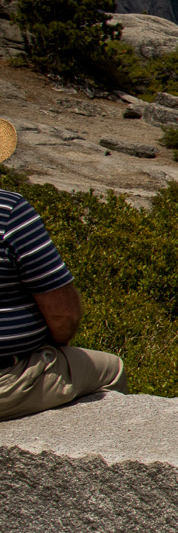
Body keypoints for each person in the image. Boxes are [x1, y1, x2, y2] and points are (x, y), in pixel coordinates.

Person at [0, 119, 126, 420]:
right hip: (7, 379)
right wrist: (54, 346)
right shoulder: (9, 211)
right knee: (112, 368)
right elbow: (62, 314)